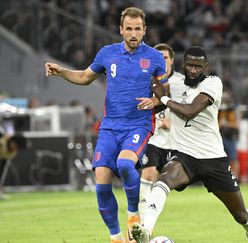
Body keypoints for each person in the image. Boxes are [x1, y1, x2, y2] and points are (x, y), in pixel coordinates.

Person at [45, 7, 168, 243]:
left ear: (145, 31)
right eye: (129, 29)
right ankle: (116, 237)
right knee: (101, 179)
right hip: (110, 127)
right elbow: (84, 77)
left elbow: (164, 95)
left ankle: (133, 214)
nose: (133, 34)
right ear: (121, 30)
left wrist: (154, 100)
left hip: (138, 125)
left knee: (124, 163)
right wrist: (61, 72)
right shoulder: (107, 53)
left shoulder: (154, 57)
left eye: (138, 29)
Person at [131, 46, 248, 243]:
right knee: (164, 180)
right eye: (190, 65)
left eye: (198, 66)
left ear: (206, 66)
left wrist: (162, 97)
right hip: (185, 156)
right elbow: (158, 104)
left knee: (240, 215)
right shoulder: (174, 83)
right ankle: (146, 229)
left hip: (213, 159)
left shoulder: (213, 83)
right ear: (183, 65)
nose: (193, 69)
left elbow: (189, 111)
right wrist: (151, 99)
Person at [138, 43, 184, 221]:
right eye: (158, 58)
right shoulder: (147, 81)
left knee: (164, 184)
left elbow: (189, 108)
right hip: (155, 139)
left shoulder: (181, 82)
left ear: (171, 60)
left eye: (165, 58)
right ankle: (142, 227)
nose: (162, 61)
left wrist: (173, 123)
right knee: (148, 175)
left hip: (177, 141)